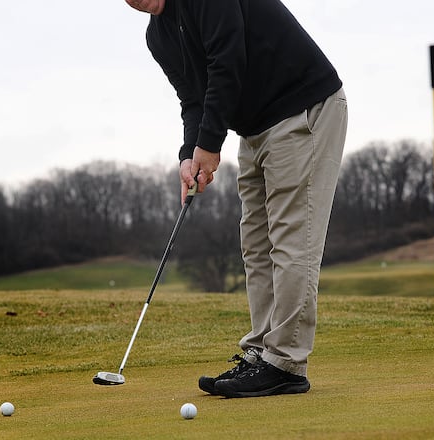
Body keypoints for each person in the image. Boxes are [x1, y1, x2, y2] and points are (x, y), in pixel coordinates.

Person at [125, 0, 347, 398]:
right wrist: (189, 154)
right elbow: (192, 99)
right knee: (255, 245)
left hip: (303, 108)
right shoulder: (156, 36)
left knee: (292, 241)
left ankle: (286, 362)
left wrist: (209, 145)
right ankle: (263, 354)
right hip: (256, 128)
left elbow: (228, 60)